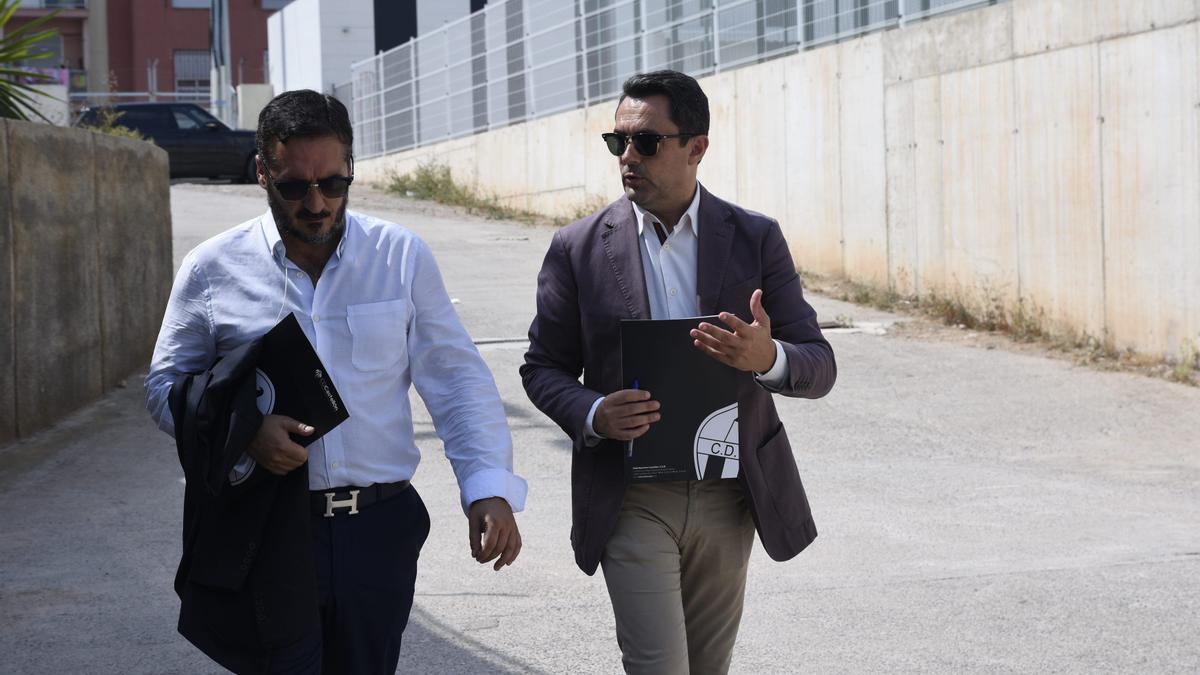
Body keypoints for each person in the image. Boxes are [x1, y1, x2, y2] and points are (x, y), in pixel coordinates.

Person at [146, 89, 526, 674]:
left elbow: (456, 381)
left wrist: (487, 486)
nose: (317, 203)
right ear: (262, 174)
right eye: (295, 187)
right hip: (269, 529)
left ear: (351, 171)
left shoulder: (400, 256)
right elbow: (166, 385)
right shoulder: (211, 268)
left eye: (333, 183)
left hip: (378, 532)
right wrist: (244, 430)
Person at [520, 70, 836, 674]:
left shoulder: (755, 238)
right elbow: (543, 368)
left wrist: (765, 359)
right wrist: (592, 411)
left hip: (729, 494)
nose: (627, 157)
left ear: (697, 147)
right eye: (618, 143)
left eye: (646, 142)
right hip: (631, 494)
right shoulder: (578, 247)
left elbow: (819, 363)